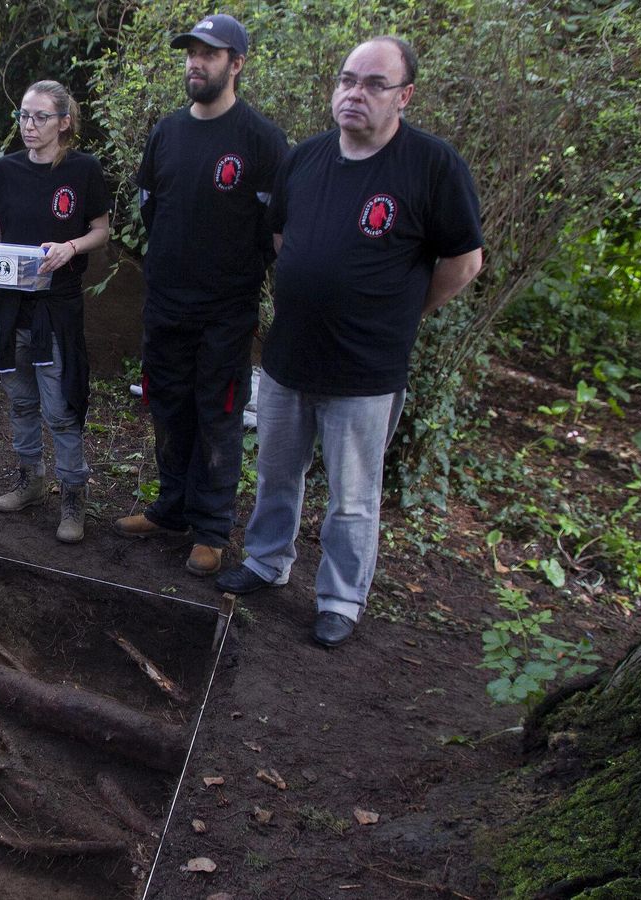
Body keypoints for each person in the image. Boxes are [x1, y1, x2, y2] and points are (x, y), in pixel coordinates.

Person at [214, 36, 484, 648]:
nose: (354, 93)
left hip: (366, 370)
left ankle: (339, 598)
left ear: (404, 97)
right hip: (290, 357)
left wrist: (397, 310)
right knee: (277, 474)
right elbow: (281, 238)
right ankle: (266, 561)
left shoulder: (431, 166)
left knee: (353, 498)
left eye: (372, 84)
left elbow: (464, 262)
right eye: (346, 80)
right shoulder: (304, 159)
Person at [113, 13, 288, 577]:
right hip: (166, 303)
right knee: (168, 406)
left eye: (209, 54)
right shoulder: (166, 132)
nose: (196, 62)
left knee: (219, 417)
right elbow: (150, 208)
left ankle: (212, 529)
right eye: (191, 52)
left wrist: (234, 275)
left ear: (236, 64)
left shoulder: (261, 140)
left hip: (225, 311)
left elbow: (274, 229)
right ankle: (171, 508)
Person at [0, 80, 111, 543]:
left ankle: (74, 494)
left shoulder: (83, 170)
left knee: (61, 408)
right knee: (22, 401)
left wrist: (71, 247)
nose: (29, 126)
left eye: (40, 117)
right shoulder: (6, 170)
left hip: (58, 309)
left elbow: (101, 231)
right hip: (10, 308)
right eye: (24, 117)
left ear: (64, 122)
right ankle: (30, 480)